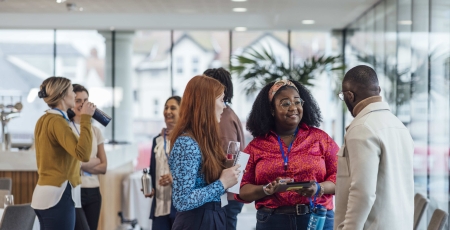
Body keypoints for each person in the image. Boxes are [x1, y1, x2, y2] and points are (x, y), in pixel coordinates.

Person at [234, 79, 339, 230]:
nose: (293, 108)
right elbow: (240, 189)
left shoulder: (321, 139)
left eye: (297, 102)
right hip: (272, 222)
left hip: (316, 220)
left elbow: (341, 177)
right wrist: (266, 189)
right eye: (285, 103)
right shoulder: (254, 147)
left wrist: (319, 188)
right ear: (272, 110)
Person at [334, 65, 414, 230]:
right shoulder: (398, 125)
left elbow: (362, 192)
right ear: (378, 90)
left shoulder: (362, 128)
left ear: (350, 95)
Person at [169, 75, 241, 230]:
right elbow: (182, 200)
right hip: (197, 220)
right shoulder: (187, 143)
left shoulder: (204, 140)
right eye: (221, 100)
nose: (224, 107)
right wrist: (222, 183)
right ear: (207, 103)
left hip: (213, 216)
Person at [31, 77, 96, 230]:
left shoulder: (44, 119)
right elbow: (83, 154)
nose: (74, 95)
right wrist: (86, 119)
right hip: (58, 195)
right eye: (71, 91)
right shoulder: (58, 122)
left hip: (44, 193)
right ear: (62, 94)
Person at [203, 68, 245, 230]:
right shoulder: (225, 114)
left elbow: (227, 159)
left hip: (225, 195)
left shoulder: (222, 118)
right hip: (225, 192)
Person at [68, 84, 107, 230]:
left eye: (85, 100)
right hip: (73, 189)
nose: (82, 104)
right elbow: (68, 165)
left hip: (93, 191)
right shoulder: (66, 128)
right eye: (78, 100)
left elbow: (103, 166)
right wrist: (92, 161)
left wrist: (79, 165)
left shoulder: (95, 131)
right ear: (71, 102)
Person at [145, 96, 181, 230]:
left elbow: (195, 171)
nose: (168, 111)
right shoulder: (157, 140)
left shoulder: (186, 139)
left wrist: (174, 177)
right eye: (166, 107)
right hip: (159, 204)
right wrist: (149, 186)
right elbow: (153, 169)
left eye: (173, 108)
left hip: (178, 205)